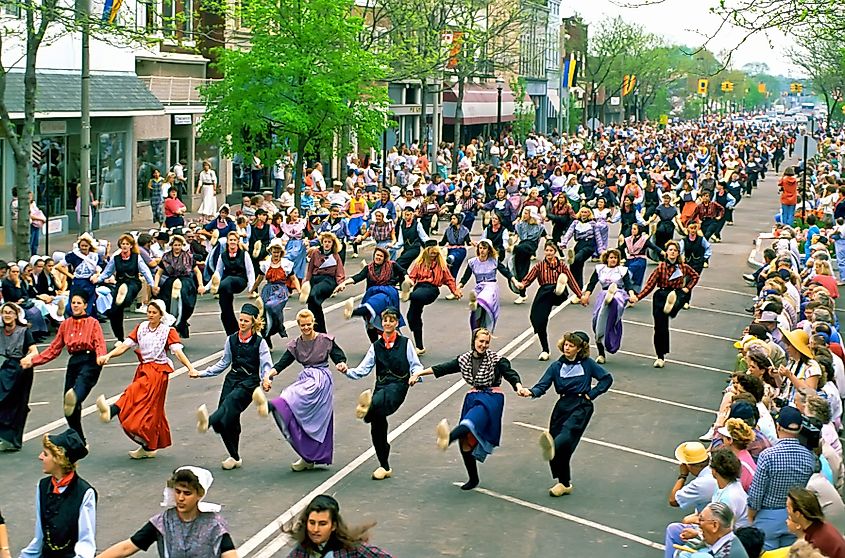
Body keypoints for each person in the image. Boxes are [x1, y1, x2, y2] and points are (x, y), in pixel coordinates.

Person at [411, 327, 524, 490]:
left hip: (491, 398)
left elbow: (510, 374)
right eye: (481, 341)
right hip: (473, 397)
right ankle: (473, 478)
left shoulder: (497, 360)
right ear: (474, 341)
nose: (483, 345)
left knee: (469, 424)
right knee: (465, 442)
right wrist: (418, 374)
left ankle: (447, 439)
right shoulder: (464, 359)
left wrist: (518, 387)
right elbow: (442, 368)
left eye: (486, 342)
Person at [94, 299, 198, 459]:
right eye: (149, 312)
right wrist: (108, 356)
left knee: (133, 392)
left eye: (154, 312)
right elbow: (124, 346)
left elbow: (177, 352)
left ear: (161, 315)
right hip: (144, 369)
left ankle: (112, 410)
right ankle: (148, 446)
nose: (150, 315)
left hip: (158, 372)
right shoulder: (141, 328)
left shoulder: (167, 331)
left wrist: (190, 368)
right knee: (150, 411)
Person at [519, 331, 613, 496]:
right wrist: (530, 392)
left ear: (579, 349)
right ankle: (564, 483)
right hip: (562, 406)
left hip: (581, 406)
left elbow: (606, 378)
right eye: (566, 344)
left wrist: (592, 394)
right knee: (560, 451)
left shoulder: (588, 364)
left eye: (571, 345)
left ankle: (553, 447)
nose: (567, 347)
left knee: (565, 436)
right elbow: (542, 385)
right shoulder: (556, 366)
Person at [253, 310, 347, 471]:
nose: (306, 328)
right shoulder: (296, 344)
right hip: (306, 377)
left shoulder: (325, 340)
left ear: (313, 323)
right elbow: (282, 363)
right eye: (303, 325)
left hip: (321, 380)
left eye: (309, 324)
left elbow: (339, 356)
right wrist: (268, 376)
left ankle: (270, 406)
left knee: (297, 398)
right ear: (298, 325)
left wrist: (341, 363)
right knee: (299, 412)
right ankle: (307, 457)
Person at [342, 307, 423, 480]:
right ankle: (384, 465)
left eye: (391, 320)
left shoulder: (406, 343)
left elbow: (415, 364)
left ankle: (367, 409)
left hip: (399, 385)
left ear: (396, 323)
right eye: (385, 320)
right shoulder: (376, 346)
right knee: (377, 430)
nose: (387, 323)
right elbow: (363, 369)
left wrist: (416, 375)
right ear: (382, 322)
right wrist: (347, 371)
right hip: (381, 384)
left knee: (379, 400)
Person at [193, 304, 273, 470]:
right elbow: (224, 362)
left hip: (249, 381)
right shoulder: (231, 339)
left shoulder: (260, 342)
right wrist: (201, 373)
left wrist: (266, 379)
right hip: (232, 378)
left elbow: (266, 365)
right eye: (241, 320)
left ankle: (207, 422)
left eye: (246, 321)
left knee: (230, 402)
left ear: (253, 322)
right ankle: (234, 456)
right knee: (227, 420)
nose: (242, 323)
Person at [22, 292, 106, 444]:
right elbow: (54, 349)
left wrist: (101, 356)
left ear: (85, 305)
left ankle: (74, 396)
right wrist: (33, 361)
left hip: (90, 360)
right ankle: (80, 440)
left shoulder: (93, 322)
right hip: (74, 361)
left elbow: (99, 342)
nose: (75, 305)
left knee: (79, 389)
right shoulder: (65, 325)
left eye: (78, 303)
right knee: (69, 409)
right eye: (73, 302)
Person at [97, 467, 238, 558]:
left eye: (187, 493)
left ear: (199, 495)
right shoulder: (163, 522)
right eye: (177, 491)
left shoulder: (214, 525)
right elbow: (127, 547)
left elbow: (230, 554)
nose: (181, 498)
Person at [747, 406, 816, 550]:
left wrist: (751, 515)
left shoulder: (768, 456)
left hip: (768, 516)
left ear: (778, 427)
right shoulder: (809, 457)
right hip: (794, 516)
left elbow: (757, 493)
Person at [19, 429, 95, 558]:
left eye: (45, 454)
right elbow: (39, 535)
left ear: (58, 459)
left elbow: (86, 542)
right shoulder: (42, 486)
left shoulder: (85, 492)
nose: (40, 457)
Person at [636, 240, 700, 368]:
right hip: (661, 295)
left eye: (675, 250)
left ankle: (672, 308)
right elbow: (650, 285)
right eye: (670, 250)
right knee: (660, 328)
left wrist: (688, 287)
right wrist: (638, 297)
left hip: (676, 293)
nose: (673, 252)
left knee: (678, 299)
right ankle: (660, 356)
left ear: (678, 253)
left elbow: (695, 276)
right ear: (667, 252)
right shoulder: (660, 267)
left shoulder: (683, 267)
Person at [514, 240, 582, 360]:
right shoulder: (539, 265)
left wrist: (580, 295)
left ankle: (559, 288)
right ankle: (545, 349)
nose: (549, 253)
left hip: (559, 294)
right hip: (544, 293)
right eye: (547, 250)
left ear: (555, 252)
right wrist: (522, 284)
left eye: (551, 250)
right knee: (537, 317)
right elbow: (530, 277)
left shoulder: (561, 266)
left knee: (556, 288)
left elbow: (571, 280)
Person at [286, 495, 393, 558]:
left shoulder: (353, 550)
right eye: (312, 523)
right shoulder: (301, 552)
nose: (315, 530)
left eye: (322, 524)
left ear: (333, 526)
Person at [579, 248, 638, 363]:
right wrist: (586, 296)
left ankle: (612, 301)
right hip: (603, 294)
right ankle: (601, 354)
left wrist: (632, 295)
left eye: (615, 258)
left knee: (615, 304)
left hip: (619, 293)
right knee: (597, 321)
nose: (613, 260)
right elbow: (591, 284)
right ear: (607, 258)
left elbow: (628, 285)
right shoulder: (600, 269)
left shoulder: (622, 270)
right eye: (611, 257)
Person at [405, 240, 462, 355]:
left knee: (417, 295)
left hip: (431, 289)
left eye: (435, 253)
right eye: (431, 253)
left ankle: (407, 295)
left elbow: (449, 279)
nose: (433, 255)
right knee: (412, 317)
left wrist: (455, 291)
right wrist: (409, 283)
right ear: (426, 252)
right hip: (419, 288)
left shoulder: (441, 265)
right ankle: (420, 347)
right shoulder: (419, 264)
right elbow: (412, 277)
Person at [341, 246, 408, 342]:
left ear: (384, 258)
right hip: (371, 292)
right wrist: (344, 283)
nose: (378, 257)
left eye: (381, 256)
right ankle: (375, 345)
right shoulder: (368, 268)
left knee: (375, 306)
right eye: (377, 255)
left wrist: (407, 280)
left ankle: (353, 312)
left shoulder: (392, 265)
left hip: (387, 293)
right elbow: (358, 277)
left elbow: (403, 272)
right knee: (369, 321)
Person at [98, 233, 156, 342]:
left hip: (134, 283)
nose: (124, 246)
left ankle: (124, 299)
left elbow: (145, 271)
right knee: (115, 312)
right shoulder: (115, 258)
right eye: (122, 244)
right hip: (120, 283)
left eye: (127, 244)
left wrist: (152, 285)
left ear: (131, 245)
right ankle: (120, 338)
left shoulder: (136, 257)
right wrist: (98, 279)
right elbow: (107, 272)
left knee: (127, 296)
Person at [0, 302, 38, 451]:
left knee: (18, 405)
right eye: (4, 312)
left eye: (10, 312)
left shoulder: (24, 331)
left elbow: (34, 351)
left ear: (16, 315)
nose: (7, 315)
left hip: (19, 370)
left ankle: (13, 439)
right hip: (3, 368)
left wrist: (28, 358)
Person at [153, 234, 206, 339]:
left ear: (182, 245)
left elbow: (197, 272)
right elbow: (159, 273)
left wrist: (200, 285)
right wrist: (155, 286)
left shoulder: (188, 256)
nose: (177, 247)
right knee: (166, 302)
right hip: (171, 281)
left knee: (186, 302)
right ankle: (169, 326)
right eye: (175, 245)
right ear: (172, 245)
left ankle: (181, 322)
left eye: (179, 245)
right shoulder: (166, 257)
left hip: (185, 281)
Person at [457, 239, 515, 332]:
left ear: (489, 249)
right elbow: (465, 277)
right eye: (480, 248)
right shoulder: (472, 262)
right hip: (479, 287)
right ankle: (478, 329)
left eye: (484, 248)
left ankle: (477, 302)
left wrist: (514, 281)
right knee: (478, 313)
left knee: (486, 297)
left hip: (491, 286)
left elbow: (505, 272)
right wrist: (458, 287)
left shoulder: (494, 260)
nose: (482, 250)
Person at [209, 231, 256, 336]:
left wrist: (251, 288)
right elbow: (218, 272)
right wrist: (206, 287)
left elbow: (250, 271)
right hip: (226, 285)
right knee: (225, 311)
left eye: (235, 240)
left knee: (228, 280)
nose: (233, 242)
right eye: (231, 240)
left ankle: (217, 288)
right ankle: (232, 333)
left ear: (238, 241)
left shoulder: (244, 254)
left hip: (240, 281)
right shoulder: (223, 255)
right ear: (227, 241)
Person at [299, 232, 346, 334]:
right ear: (322, 242)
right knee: (313, 305)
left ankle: (320, 330)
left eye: (329, 242)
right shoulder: (316, 252)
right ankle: (318, 330)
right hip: (315, 278)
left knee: (313, 294)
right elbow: (310, 269)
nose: (327, 244)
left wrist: (340, 283)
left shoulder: (335, 256)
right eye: (325, 242)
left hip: (328, 280)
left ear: (333, 243)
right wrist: (306, 281)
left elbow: (340, 271)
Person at [260, 238, 299, 349]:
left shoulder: (286, 264)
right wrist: (252, 289)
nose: (276, 253)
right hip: (268, 289)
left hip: (281, 290)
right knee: (265, 314)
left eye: (278, 251)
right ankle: (266, 335)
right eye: (274, 251)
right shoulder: (266, 264)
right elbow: (259, 278)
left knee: (272, 306)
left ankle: (279, 326)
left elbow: (293, 278)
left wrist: (300, 290)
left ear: (281, 252)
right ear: (271, 251)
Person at [786, 487, 845, 558]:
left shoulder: (816, 544)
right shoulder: (821, 528)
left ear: (797, 514)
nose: (787, 510)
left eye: (788, 507)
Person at [675, 502, 750, 558]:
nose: (698, 523)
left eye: (701, 520)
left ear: (715, 525)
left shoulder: (724, 554)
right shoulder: (730, 540)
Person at [560, 207, 607, 287]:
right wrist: (564, 243)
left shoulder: (593, 223)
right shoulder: (575, 223)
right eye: (582, 212)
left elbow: (598, 237)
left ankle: (573, 258)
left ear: (589, 214)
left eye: (586, 212)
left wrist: (601, 250)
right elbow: (569, 233)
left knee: (578, 257)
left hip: (589, 245)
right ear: (580, 213)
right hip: (579, 244)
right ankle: (578, 286)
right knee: (576, 266)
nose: (584, 214)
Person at [64, 233, 104, 318]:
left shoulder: (95, 256)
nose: (84, 248)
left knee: (88, 305)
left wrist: (96, 275)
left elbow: (99, 268)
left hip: (89, 283)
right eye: (82, 246)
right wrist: (71, 276)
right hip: (77, 283)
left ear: (90, 246)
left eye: (86, 246)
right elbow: (59, 266)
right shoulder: (74, 255)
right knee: (74, 303)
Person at [394, 206, 430, 271]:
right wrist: (393, 246)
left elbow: (424, 237)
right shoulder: (402, 224)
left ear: (412, 215)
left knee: (398, 263)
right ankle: (403, 278)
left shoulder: (417, 224)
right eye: (404, 215)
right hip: (406, 249)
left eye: (407, 215)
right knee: (402, 268)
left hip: (414, 249)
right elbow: (401, 241)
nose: (406, 217)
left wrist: (431, 244)